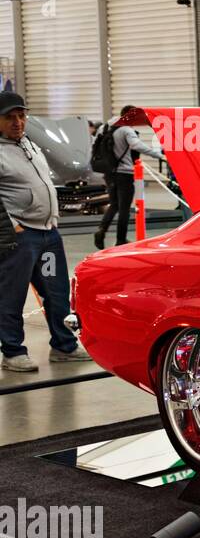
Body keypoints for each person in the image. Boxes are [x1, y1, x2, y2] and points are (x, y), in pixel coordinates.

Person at [0, 91, 92, 371]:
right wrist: (13, 228)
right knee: (12, 296)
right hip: (20, 238)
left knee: (56, 291)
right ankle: (13, 352)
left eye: (21, 115)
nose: (18, 122)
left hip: (48, 236)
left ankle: (63, 346)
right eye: (9, 117)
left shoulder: (28, 144)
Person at [94, 106, 154, 250]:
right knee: (124, 208)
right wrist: (158, 155)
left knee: (114, 204)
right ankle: (121, 239)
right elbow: (136, 146)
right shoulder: (126, 129)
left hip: (108, 172)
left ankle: (101, 229)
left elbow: (94, 145)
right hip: (125, 173)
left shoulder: (104, 127)